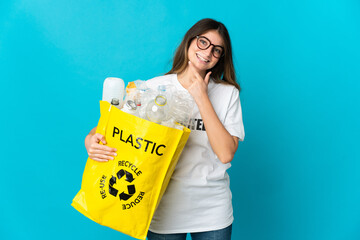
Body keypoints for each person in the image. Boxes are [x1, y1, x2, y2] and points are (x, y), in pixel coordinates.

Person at [85, 18, 245, 240]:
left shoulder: (227, 94)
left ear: (221, 57)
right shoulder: (154, 88)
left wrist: (201, 96)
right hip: (163, 209)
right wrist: (91, 140)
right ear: (189, 42)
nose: (208, 53)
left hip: (212, 211)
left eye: (217, 50)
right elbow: (113, 126)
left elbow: (226, 153)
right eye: (203, 42)